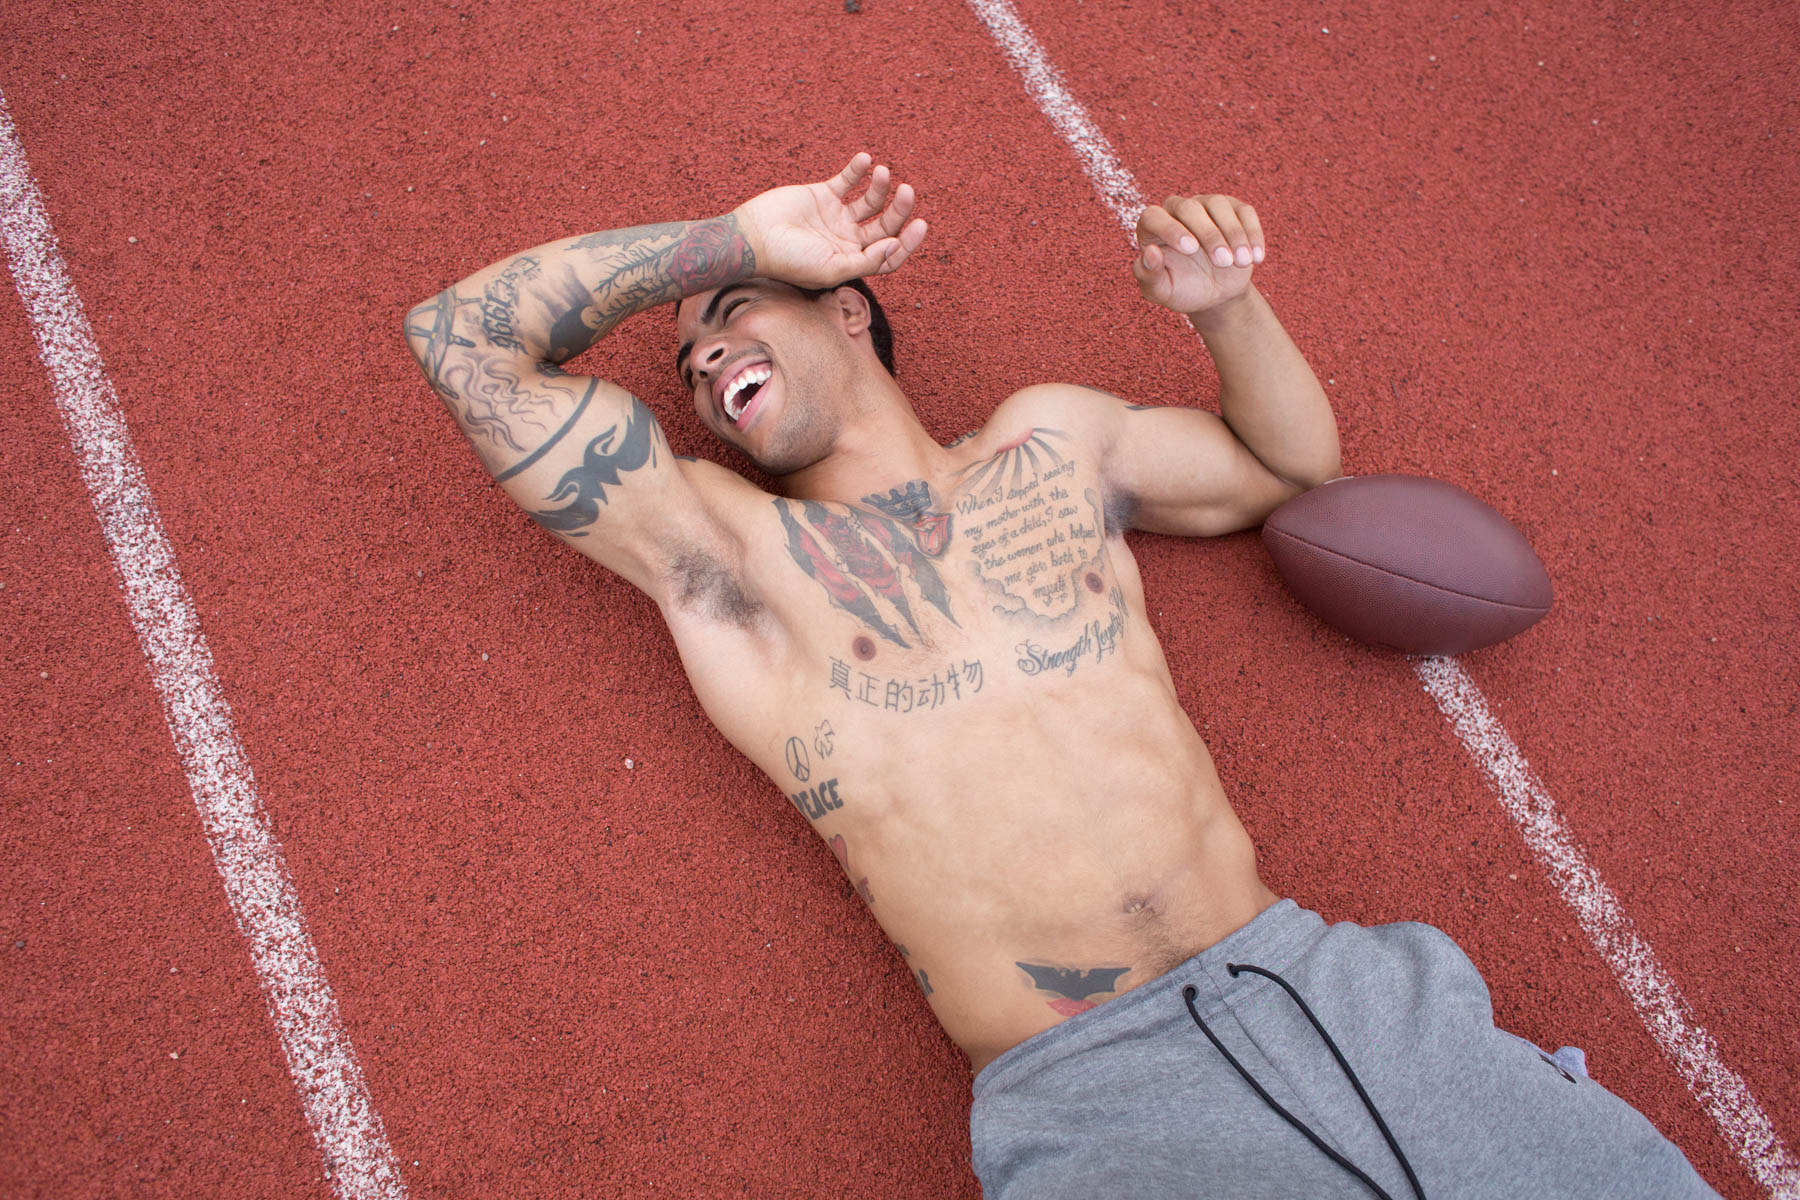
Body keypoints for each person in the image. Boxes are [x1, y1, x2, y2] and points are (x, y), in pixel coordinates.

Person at [404, 153, 1715, 1198]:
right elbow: (460, 340)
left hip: (1331, 994)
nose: (699, 361)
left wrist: (1224, 306)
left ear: (847, 306)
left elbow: (1288, 467)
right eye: (690, 364)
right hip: (1101, 1103)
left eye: (731, 317)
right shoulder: (729, 554)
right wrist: (735, 244)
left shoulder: (1054, 443)